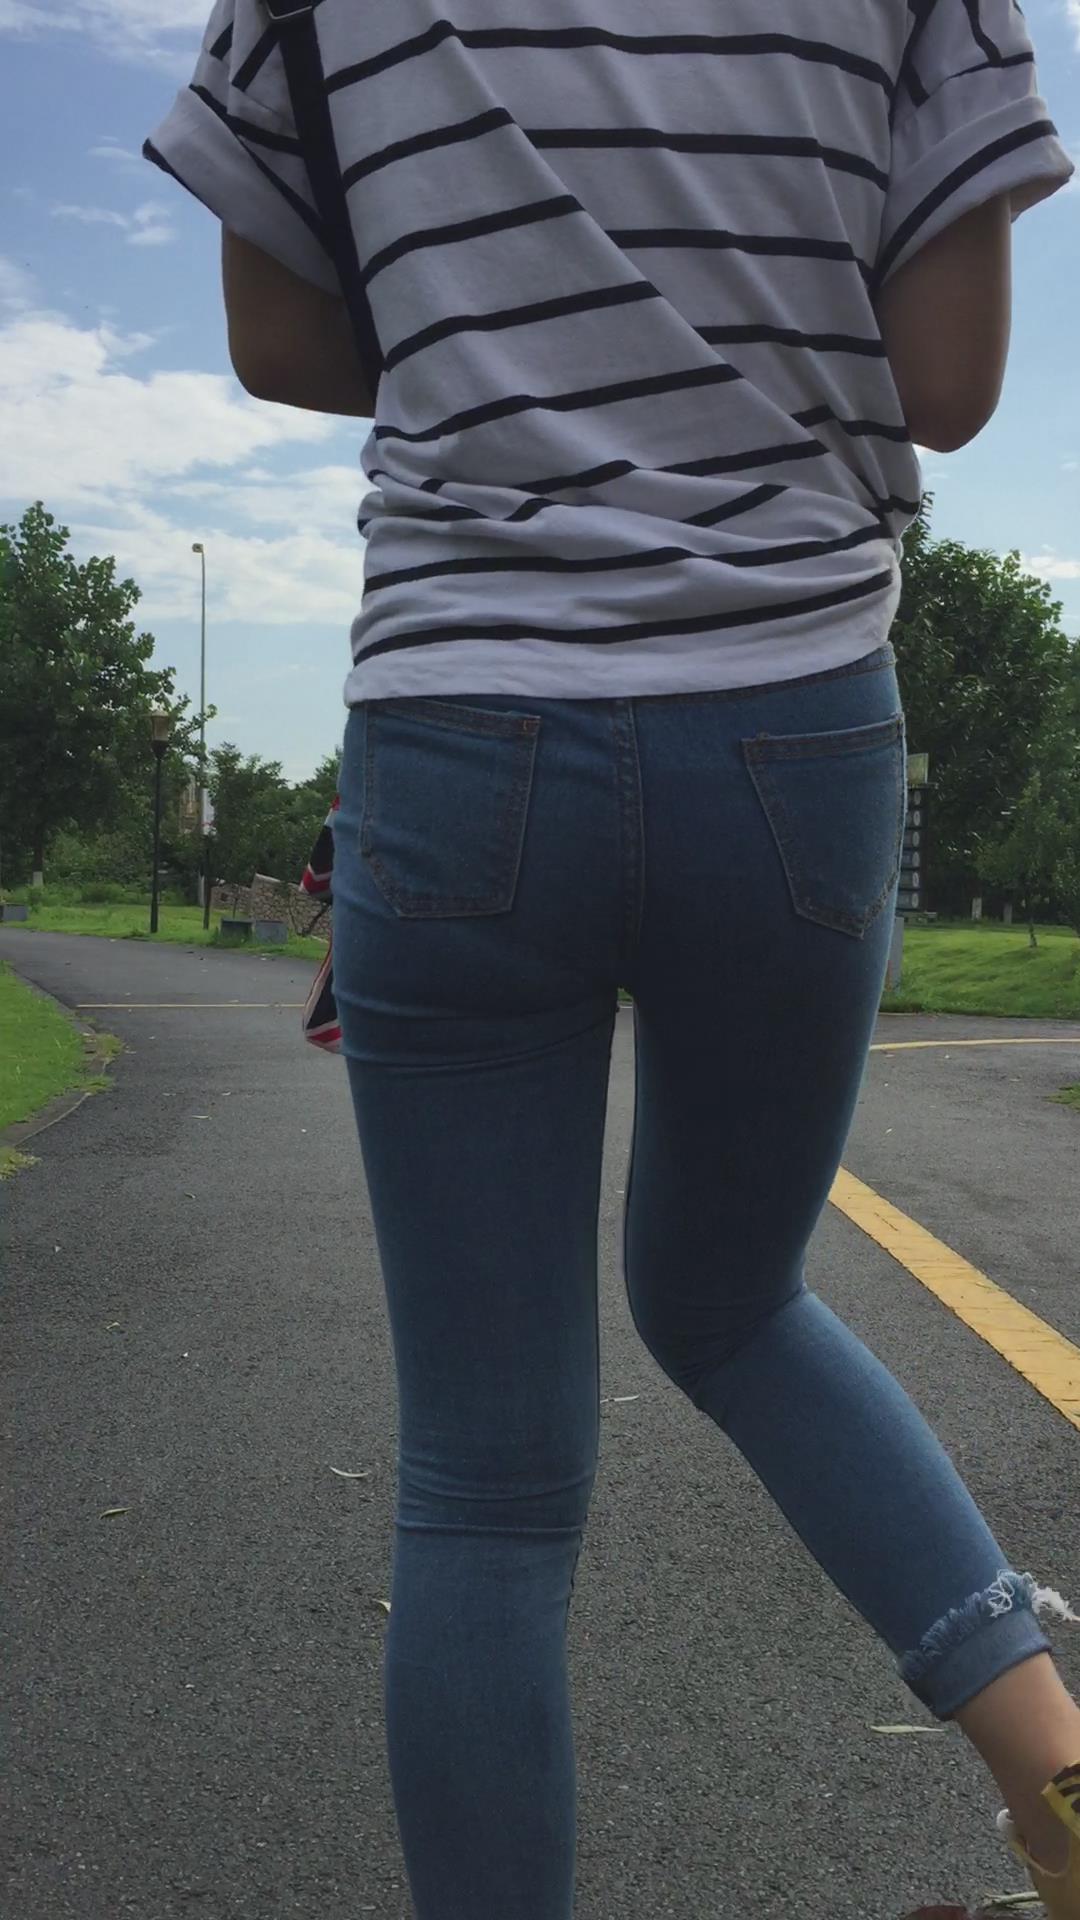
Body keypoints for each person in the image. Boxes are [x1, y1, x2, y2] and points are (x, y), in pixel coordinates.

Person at [147, 4, 1079, 1914]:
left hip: (465, 720)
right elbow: (950, 380)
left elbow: (277, 335)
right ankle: (1063, 1783)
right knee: (736, 1301)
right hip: (792, 716)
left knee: (486, 1480)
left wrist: (500, 337)